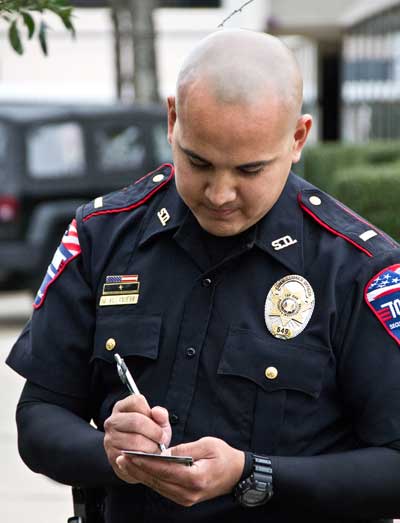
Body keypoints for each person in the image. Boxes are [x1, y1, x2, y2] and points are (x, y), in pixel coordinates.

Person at [6, 28, 400, 523]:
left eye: (250, 170)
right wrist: (113, 454)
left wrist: (252, 474)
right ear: (173, 119)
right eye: (198, 162)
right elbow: (39, 417)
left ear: (298, 138)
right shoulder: (102, 236)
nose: (219, 193)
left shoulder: (359, 269)